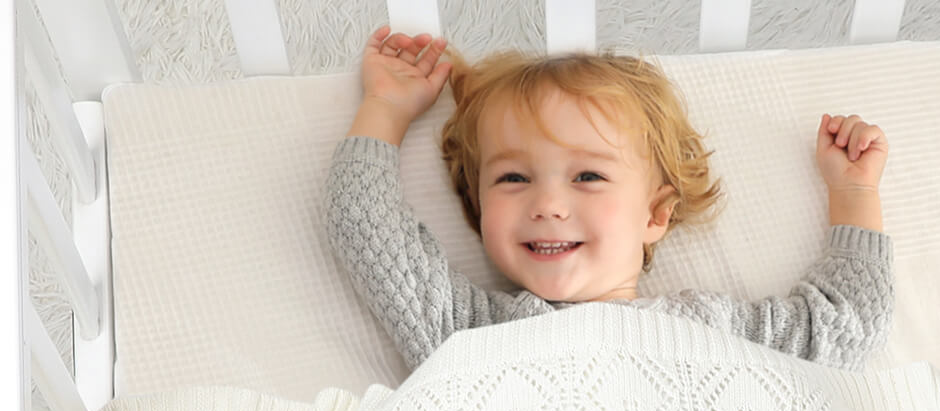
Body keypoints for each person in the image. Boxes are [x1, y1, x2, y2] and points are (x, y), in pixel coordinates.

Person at [325, 27, 894, 372]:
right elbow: (367, 226)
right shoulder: (469, 333)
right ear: (479, 209)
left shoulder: (709, 330)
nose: (548, 204)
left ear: (656, 213)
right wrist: (386, 110)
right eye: (513, 178)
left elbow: (844, 328)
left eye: (588, 176)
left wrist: (854, 192)